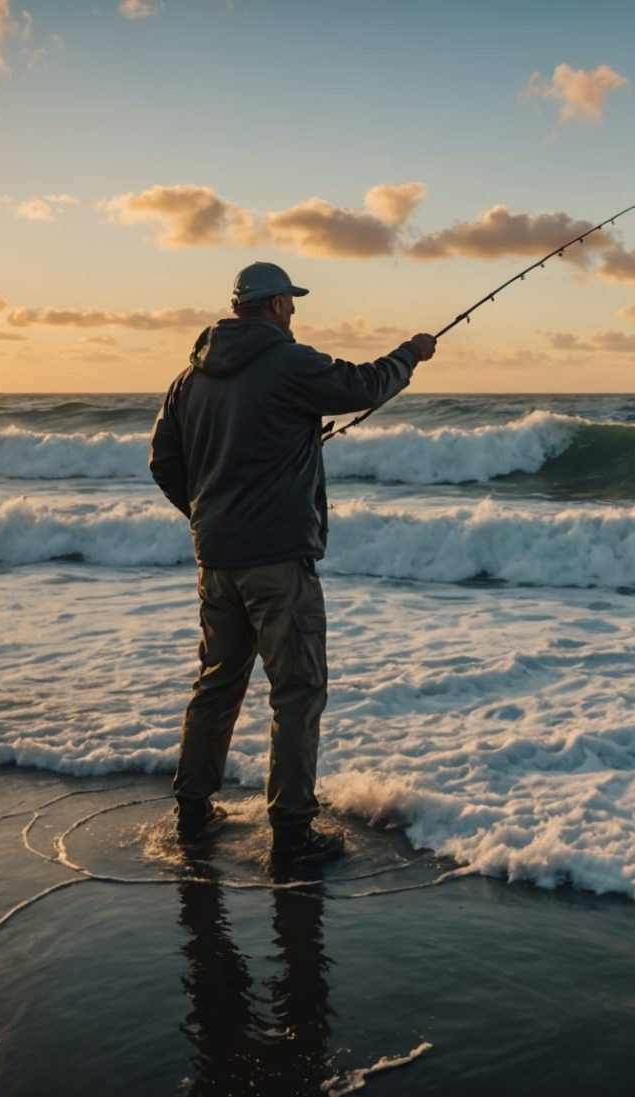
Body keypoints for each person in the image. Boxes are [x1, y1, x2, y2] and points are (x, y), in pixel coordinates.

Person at [148, 260, 436, 861]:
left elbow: (163, 464)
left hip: (216, 560)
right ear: (275, 304)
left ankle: (193, 813)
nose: (296, 312)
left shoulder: (188, 378)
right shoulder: (288, 361)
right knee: (298, 692)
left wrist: (207, 515)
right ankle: (292, 832)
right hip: (278, 560)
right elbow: (362, 386)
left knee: (217, 685)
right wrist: (409, 354)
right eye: (291, 302)